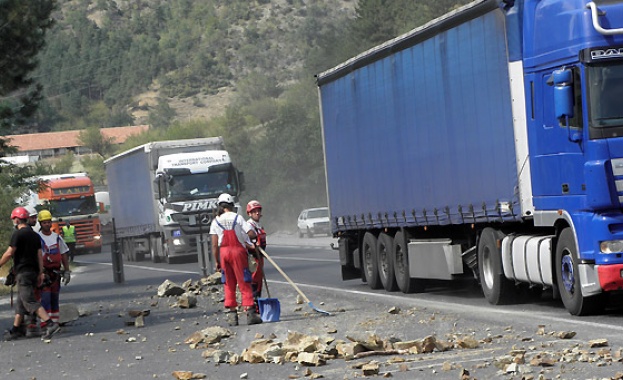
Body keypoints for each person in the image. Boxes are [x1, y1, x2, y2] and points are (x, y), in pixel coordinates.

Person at [0, 207, 61, 341]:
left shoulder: (18, 234)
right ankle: (16, 329)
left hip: (23, 272)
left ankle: (50, 324)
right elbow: (40, 255)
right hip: (34, 272)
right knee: (21, 302)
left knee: (29, 301)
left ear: (16, 219)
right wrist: (41, 272)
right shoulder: (34, 235)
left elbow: (10, 252)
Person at [210, 193, 262, 326]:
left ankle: (232, 316)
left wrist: (216, 261)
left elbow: (214, 245)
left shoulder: (215, 221)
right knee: (244, 282)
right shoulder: (237, 217)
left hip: (224, 253)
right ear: (232, 205)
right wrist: (254, 241)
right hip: (238, 252)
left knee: (228, 283)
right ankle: (250, 313)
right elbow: (250, 233)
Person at [36, 210, 71, 328]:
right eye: (44, 222)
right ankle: (46, 324)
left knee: (54, 299)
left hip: (55, 274)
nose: (47, 224)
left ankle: (55, 324)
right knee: (45, 299)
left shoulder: (57, 238)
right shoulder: (37, 238)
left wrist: (67, 271)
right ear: (40, 223)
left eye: (49, 222)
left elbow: (64, 253)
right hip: (44, 274)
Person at [246, 200, 266, 311]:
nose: (257, 213)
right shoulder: (249, 225)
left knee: (259, 282)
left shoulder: (259, 225)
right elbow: (248, 237)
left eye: (258, 210)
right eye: (254, 211)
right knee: (253, 281)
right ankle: (252, 305)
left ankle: (258, 303)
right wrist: (253, 245)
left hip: (260, 257)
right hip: (253, 258)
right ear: (249, 213)